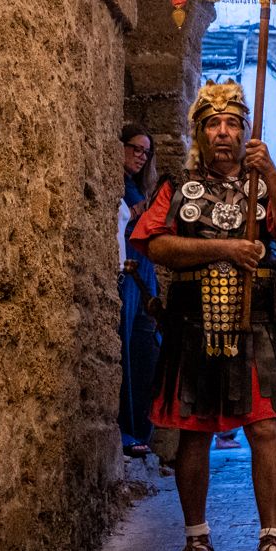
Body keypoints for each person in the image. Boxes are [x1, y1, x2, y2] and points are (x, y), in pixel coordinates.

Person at [128, 81, 276, 551]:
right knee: (193, 434)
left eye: (233, 123)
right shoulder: (176, 186)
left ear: (246, 131)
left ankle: (272, 544)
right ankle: (196, 537)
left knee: (264, 429)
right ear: (200, 132)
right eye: (213, 123)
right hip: (192, 322)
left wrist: (270, 170)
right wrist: (226, 251)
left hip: (254, 323)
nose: (224, 132)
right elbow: (156, 245)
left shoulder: (263, 185)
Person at [116, 125, 163, 460]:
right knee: (129, 349)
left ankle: (141, 427)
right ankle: (127, 429)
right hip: (129, 270)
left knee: (147, 350)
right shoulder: (121, 184)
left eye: (146, 153)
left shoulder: (135, 186)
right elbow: (136, 216)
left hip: (143, 273)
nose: (140, 156)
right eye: (135, 148)